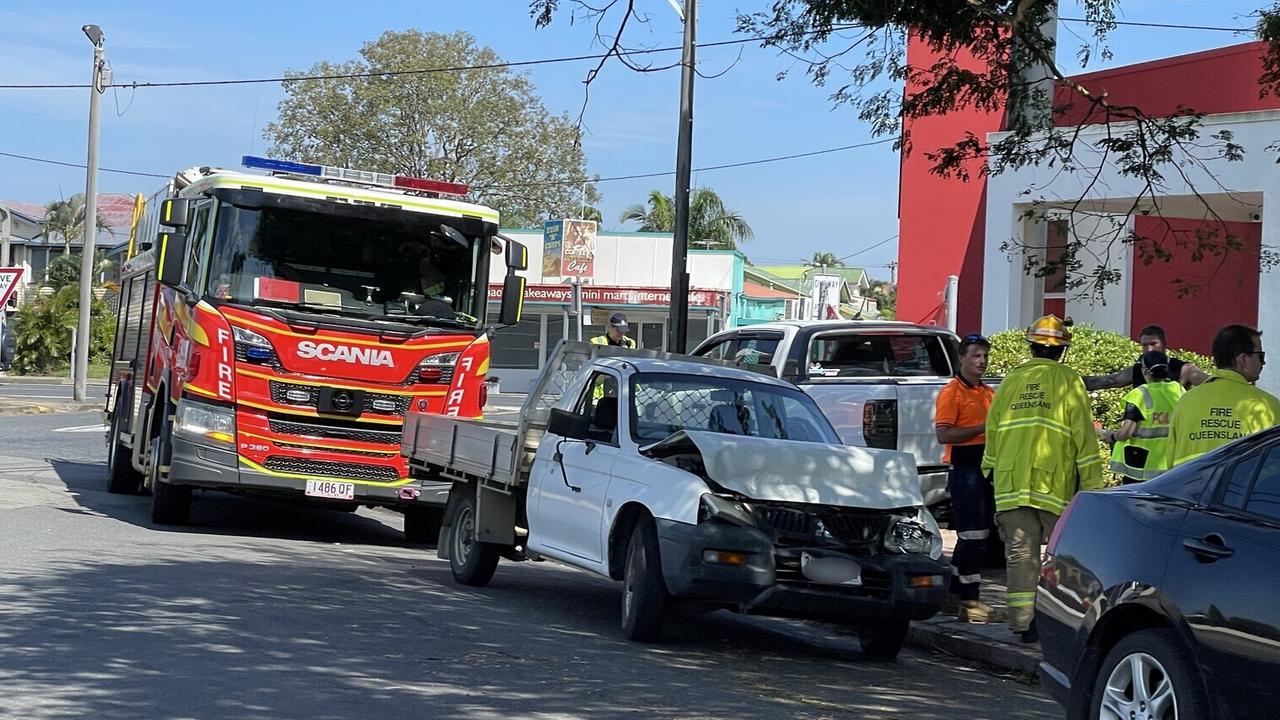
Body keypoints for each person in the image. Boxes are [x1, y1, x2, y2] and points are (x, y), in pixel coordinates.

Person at [981, 315, 1103, 643]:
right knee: (1067, 557)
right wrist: (1093, 487)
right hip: (1053, 485)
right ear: (1061, 351)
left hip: (1010, 483)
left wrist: (989, 471)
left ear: (1031, 346)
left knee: (1021, 556)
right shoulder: (1069, 381)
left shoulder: (1010, 381)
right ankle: (1064, 623)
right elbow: (1083, 438)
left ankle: (1023, 624)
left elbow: (992, 430)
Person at [934, 333, 997, 623]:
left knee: (978, 536)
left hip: (985, 466)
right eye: (975, 355)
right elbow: (944, 434)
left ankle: (955, 596)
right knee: (973, 536)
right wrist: (983, 426)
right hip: (964, 466)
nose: (981, 361)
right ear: (961, 358)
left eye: (984, 356)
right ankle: (969, 600)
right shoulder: (952, 393)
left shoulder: (987, 393)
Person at [1166, 324, 1280, 467]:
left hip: (1187, 488)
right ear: (1243, 359)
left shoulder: (1185, 402)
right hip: (1241, 489)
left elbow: (1169, 465)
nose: (1263, 363)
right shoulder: (1269, 406)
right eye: (1260, 356)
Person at [1098, 350, 1184, 482]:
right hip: (1172, 468)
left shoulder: (1140, 394)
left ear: (1145, 371)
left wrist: (1111, 436)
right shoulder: (1178, 390)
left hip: (1140, 470)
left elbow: (1126, 432)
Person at [1083, 324, 1209, 391]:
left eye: (1154, 344)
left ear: (1164, 344)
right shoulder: (1136, 370)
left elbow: (1214, 384)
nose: (1149, 349)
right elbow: (1109, 381)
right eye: (1145, 345)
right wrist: (1069, 379)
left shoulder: (1183, 369)